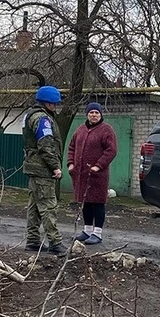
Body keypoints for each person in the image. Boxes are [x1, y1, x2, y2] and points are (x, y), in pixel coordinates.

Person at [22, 85, 67, 256]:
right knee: (49, 206)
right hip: (42, 169)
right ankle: (55, 242)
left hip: (33, 166)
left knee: (34, 206)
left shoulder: (30, 115)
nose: (56, 106)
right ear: (47, 102)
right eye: (54, 103)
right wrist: (55, 166)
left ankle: (33, 241)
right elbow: (46, 145)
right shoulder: (43, 119)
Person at [67, 102, 118, 245]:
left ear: (100, 114)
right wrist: (71, 164)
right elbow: (71, 147)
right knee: (86, 202)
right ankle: (87, 231)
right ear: (87, 114)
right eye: (91, 113)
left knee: (98, 203)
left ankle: (97, 233)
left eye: (96, 113)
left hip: (98, 175)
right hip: (81, 174)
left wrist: (98, 166)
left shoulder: (106, 130)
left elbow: (111, 151)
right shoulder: (80, 130)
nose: (94, 115)